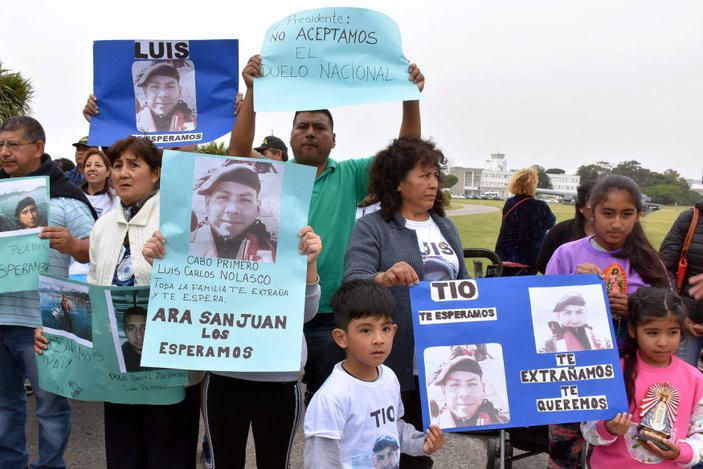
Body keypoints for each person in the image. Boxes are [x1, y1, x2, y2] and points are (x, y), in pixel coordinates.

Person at [228, 54, 425, 401]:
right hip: (274, 307)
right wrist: (253, 91)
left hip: (330, 314)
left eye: (319, 128)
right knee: (273, 403)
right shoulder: (271, 175)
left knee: (329, 403)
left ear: (334, 139)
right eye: (302, 126)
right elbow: (239, 150)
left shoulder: (349, 175)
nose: (309, 133)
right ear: (290, 136)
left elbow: (404, 154)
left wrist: (410, 98)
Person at [37, 135, 200, 468]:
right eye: (117, 165)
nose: (122, 173)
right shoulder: (102, 227)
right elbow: (93, 295)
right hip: (118, 366)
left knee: (168, 456)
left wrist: (169, 267)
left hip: (169, 368)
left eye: (134, 165)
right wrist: (54, 332)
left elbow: (203, 290)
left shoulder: (181, 221)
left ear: (156, 173)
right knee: (123, 454)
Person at [343, 136, 465, 468]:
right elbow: (352, 282)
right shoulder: (372, 227)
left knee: (422, 452)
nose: (433, 183)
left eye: (435, 176)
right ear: (398, 182)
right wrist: (383, 278)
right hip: (390, 363)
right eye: (424, 175)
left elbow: (466, 287)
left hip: (437, 367)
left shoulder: (446, 227)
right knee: (379, 452)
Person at [545, 174, 670, 469]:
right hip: (570, 377)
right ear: (590, 212)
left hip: (628, 377)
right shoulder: (567, 254)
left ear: (638, 215)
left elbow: (669, 316)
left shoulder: (648, 261)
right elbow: (539, 313)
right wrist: (573, 288)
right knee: (564, 455)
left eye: (627, 214)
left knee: (619, 453)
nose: (617, 223)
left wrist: (636, 309)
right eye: (608, 213)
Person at [0, 116, 95, 469]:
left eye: (13, 144)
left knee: (51, 406)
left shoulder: (67, 199)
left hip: (45, 322)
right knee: (5, 405)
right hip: (1, 318)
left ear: (38, 147)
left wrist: (72, 244)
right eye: (1, 145)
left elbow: (98, 252)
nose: (5, 152)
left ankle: (51, 464)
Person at [304, 279, 445, 469]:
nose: (379, 340)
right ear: (341, 337)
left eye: (385, 329)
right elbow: (321, 462)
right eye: (365, 330)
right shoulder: (331, 397)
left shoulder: (389, 377)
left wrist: (421, 443)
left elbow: (393, 427)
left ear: (394, 332)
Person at [581, 287, 703, 467]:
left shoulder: (694, 378)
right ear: (632, 330)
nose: (663, 342)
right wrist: (608, 429)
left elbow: (700, 431)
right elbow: (588, 428)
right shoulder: (614, 371)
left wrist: (681, 452)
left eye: (672, 332)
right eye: (652, 333)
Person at [189, 164, 276, 261]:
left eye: (245, 200)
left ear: (257, 208)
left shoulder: (273, 251)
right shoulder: (185, 241)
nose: (232, 209)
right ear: (208, 203)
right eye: (223, 197)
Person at [660, 196, 703, 367]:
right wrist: (679, 313)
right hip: (688, 321)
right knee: (681, 384)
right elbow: (663, 268)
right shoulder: (691, 218)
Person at [495, 167, 556, 276]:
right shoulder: (540, 206)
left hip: (503, 256)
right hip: (527, 259)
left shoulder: (509, 203)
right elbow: (551, 223)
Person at [535, 180, 596, 274]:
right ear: (581, 207)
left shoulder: (618, 235)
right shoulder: (560, 232)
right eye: (594, 204)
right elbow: (543, 264)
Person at [431, 355, 507, 428]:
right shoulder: (432, 430)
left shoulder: (503, 423)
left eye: (472, 384)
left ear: (483, 389)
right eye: (455, 385)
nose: (464, 394)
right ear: (444, 391)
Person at [134, 61, 197, 133]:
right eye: (155, 87)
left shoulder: (195, 123)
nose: (163, 94)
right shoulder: (135, 123)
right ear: (145, 92)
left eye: (170, 86)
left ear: (179, 91)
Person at [539, 294, 612, 353]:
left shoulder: (602, 341)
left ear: (586, 313)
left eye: (579, 312)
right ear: (558, 315)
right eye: (567, 313)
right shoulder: (548, 345)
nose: (574, 319)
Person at [121, 306, 147, 372]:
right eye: (131, 328)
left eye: (144, 328)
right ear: (125, 331)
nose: (139, 336)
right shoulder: (117, 358)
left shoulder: (166, 355)